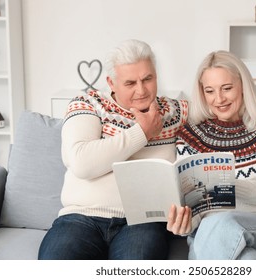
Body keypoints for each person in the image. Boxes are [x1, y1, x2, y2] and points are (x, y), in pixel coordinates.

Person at [38, 39, 189, 259]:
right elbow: (82, 163)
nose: (142, 90)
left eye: (148, 79)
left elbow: (218, 110)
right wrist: (143, 133)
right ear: (111, 82)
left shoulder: (176, 111)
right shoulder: (89, 104)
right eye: (130, 83)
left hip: (143, 222)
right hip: (80, 218)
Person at [167, 50, 256, 260]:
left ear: (243, 86)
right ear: (202, 93)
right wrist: (185, 224)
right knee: (249, 260)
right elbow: (192, 203)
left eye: (227, 88)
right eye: (210, 91)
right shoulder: (188, 137)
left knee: (222, 222)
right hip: (209, 233)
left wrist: (225, 185)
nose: (219, 99)